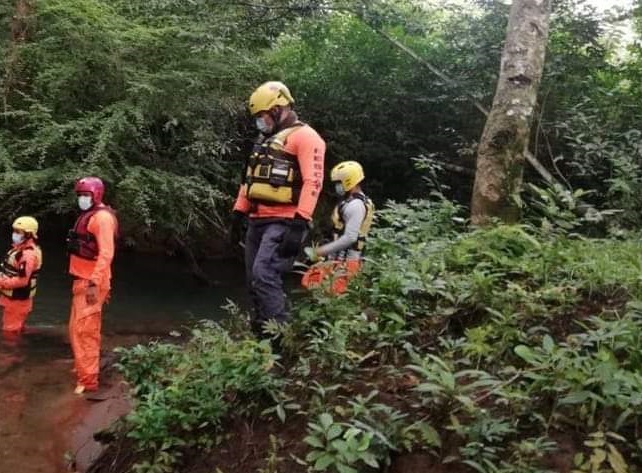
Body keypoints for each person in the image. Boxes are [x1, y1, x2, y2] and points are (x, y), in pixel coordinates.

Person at [233, 81, 326, 338]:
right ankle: (262, 334)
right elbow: (249, 180)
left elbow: (313, 181)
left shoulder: (306, 137)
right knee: (253, 279)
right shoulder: (265, 140)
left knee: (264, 274)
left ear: (277, 109)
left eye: (262, 116)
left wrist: (301, 221)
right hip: (257, 219)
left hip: (284, 220)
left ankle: (282, 338)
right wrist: (238, 212)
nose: (260, 122)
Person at [66, 177, 118, 394]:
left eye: (86, 195)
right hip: (83, 280)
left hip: (92, 283)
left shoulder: (102, 219)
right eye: (80, 195)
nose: (82, 199)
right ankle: (84, 367)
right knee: (76, 329)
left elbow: (106, 252)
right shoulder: (91, 216)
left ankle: (88, 380)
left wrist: (94, 282)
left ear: (96, 196)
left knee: (85, 330)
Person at [302, 161, 374, 294]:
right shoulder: (349, 202)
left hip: (346, 262)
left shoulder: (356, 206)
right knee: (310, 283)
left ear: (348, 181)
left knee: (332, 294)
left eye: (338, 182)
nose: (337, 186)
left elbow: (350, 237)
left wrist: (320, 251)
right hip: (336, 259)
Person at [0, 216, 42, 337]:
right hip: (13, 299)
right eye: (14, 231)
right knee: (16, 329)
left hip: (17, 301)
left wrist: (2, 282)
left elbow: (23, 281)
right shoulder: (18, 250)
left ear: (29, 234)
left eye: (18, 232)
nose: (15, 234)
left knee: (9, 335)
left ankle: (10, 356)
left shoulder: (28, 255)